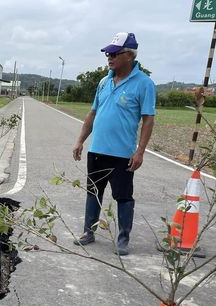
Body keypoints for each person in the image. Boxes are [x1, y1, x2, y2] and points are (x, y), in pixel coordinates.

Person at [72, 32, 155, 255]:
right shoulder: (103, 81)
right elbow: (92, 113)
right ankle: (88, 232)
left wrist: (140, 152)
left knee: (123, 196)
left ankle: (123, 239)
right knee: (93, 192)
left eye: (114, 54)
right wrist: (80, 140)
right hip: (97, 151)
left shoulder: (144, 84)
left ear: (129, 55)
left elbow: (148, 119)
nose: (109, 58)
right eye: (108, 54)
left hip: (122, 155)